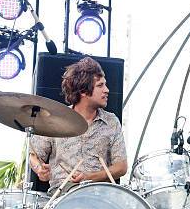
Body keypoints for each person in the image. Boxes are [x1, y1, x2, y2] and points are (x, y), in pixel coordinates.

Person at [30, 57, 127, 192]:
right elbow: (34, 155)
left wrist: (90, 177)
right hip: (61, 194)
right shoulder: (56, 118)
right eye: (100, 85)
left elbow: (121, 167)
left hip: (99, 194)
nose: (107, 90)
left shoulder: (111, 121)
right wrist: (39, 169)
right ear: (83, 91)